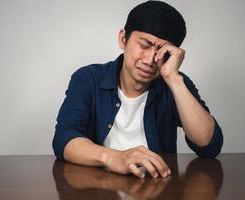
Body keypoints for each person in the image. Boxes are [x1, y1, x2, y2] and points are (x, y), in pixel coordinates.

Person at [52, 1, 223, 179]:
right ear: (123, 39)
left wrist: (174, 80)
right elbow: (64, 139)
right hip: (99, 189)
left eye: (163, 53)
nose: (150, 60)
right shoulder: (88, 79)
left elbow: (209, 146)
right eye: (144, 45)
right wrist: (116, 158)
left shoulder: (175, 82)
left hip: (157, 188)